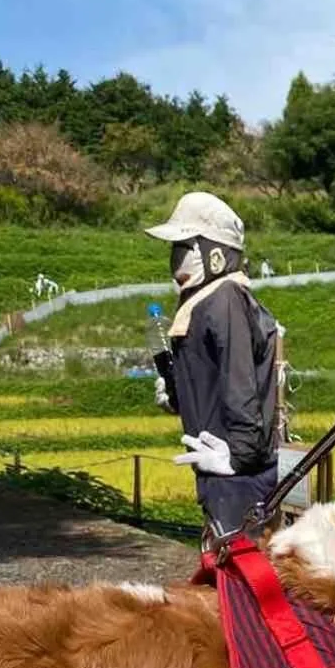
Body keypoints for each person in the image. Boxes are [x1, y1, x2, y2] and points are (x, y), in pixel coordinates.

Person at [146, 191, 280, 534]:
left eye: (184, 246)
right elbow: (211, 381)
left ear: (215, 254)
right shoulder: (201, 303)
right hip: (216, 470)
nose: (174, 257)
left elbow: (240, 384)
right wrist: (178, 396)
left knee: (240, 572)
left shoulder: (226, 298)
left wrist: (237, 456)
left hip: (237, 476)